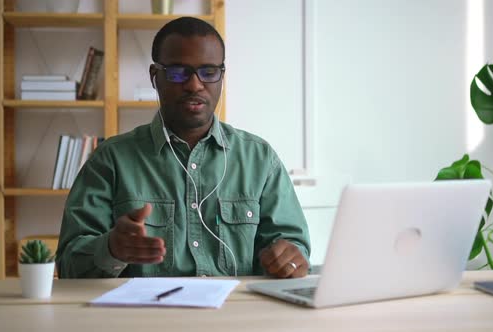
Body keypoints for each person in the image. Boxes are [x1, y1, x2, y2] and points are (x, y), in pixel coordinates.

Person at [56, 17, 311, 279]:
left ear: (221, 77)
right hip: (143, 318)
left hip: (235, 315)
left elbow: (294, 247)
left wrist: (290, 258)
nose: (194, 85)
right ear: (155, 77)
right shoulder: (110, 160)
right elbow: (68, 265)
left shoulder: (259, 159)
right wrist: (111, 249)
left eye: (209, 72)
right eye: (178, 72)